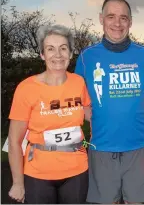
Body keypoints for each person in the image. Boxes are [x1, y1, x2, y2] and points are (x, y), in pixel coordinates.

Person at [74, 0, 144, 204]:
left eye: (123, 17)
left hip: (139, 146)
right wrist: (87, 114)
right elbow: (75, 96)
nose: (117, 23)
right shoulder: (86, 57)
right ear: (101, 19)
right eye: (111, 16)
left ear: (130, 21)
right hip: (101, 146)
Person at [7, 24, 90, 204]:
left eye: (63, 48)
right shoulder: (26, 88)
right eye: (50, 49)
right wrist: (18, 183)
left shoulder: (79, 82)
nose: (58, 55)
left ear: (70, 53)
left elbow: (91, 112)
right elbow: (14, 140)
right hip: (38, 174)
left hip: (77, 170)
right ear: (42, 54)